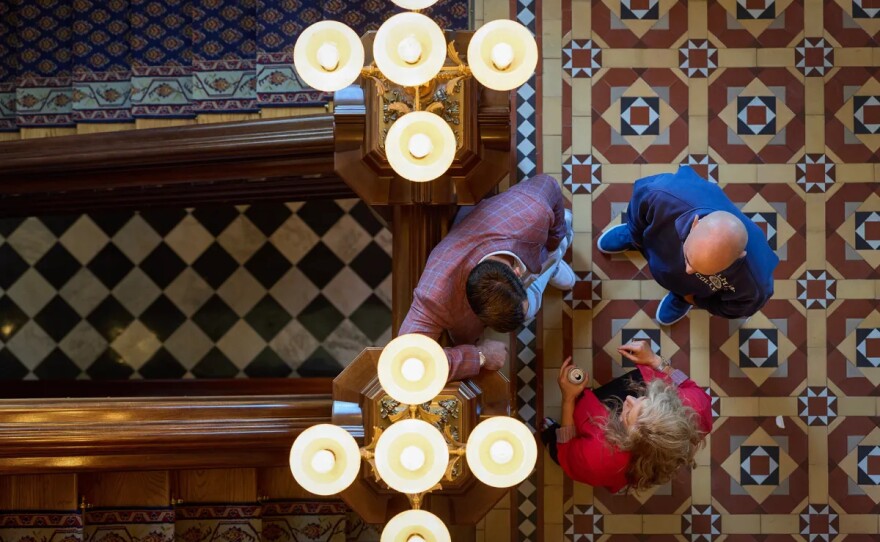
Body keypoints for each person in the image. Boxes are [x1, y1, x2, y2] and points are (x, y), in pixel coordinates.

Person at [399, 174, 575, 382]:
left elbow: (551, 185)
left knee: (564, 231)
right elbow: (407, 358)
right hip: (476, 243)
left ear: (518, 274)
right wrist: (479, 356)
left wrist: (554, 242)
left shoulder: (531, 209)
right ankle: (547, 271)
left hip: (518, 235)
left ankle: (551, 263)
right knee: (528, 311)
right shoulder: (435, 295)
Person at [596, 166, 778, 325]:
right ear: (695, 223)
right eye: (689, 258)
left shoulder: (755, 284)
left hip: (693, 291)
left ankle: (680, 298)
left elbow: (738, 308)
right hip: (656, 238)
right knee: (641, 227)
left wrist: (697, 301)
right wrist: (636, 235)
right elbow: (639, 205)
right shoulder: (664, 194)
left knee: (685, 287)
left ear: (740, 256)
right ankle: (633, 239)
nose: (688, 270)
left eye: (703, 270)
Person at [542, 340, 712, 493]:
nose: (629, 398)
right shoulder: (696, 407)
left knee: (559, 450)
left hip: (591, 451)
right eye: (643, 398)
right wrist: (657, 362)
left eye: (629, 413)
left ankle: (549, 433)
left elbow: (568, 450)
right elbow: (685, 383)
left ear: (630, 439)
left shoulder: (598, 460)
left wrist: (568, 399)